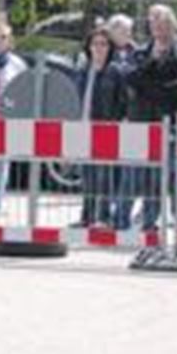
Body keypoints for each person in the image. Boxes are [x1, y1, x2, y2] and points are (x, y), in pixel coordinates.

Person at [122, 4, 177, 230]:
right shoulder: (141, 52)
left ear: (172, 25)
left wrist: (149, 87)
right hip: (140, 122)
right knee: (132, 176)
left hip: (169, 124)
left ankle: (150, 222)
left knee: (160, 176)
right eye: (153, 23)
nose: (158, 28)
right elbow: (131, 78)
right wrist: (152, 66)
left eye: (162, 23)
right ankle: (120, 220)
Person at [72, 26, 127, 227]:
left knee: (104, 176)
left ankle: (103, 217)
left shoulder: (116, 72)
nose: (99, 48)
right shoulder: (82, 70)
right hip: (84, 127)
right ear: (89, 46)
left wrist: (116, 122)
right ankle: (86, 216)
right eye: (95, 44)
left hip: (106, 128)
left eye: (103, 44)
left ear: (110, 47)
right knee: (87, 176)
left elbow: (123, 102)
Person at [0, 21, 27, 214]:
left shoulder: (17, 64)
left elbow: (23, 91)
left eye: (3, 37)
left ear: (10, 41)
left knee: (0, 163)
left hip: (4, 119)